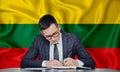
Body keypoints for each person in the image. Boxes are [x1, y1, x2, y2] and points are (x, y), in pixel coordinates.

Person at [21, 14, 96, 69]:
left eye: (55, 34)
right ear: (42, 34)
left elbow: (91, 62)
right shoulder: (39, 39)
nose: (53, 39)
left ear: (59, 27)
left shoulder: (73, 38)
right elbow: (24, 62)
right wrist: (46, 63)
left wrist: (76, 62)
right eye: (48, 36)